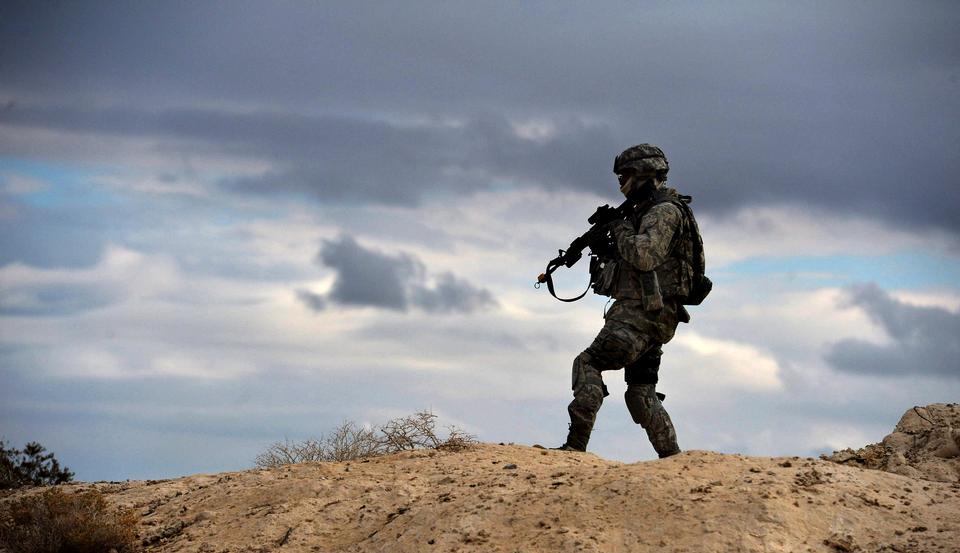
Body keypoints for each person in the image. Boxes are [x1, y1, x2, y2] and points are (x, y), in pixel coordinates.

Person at [557, 144, 705, 457]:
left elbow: (644, 255)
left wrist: (619, 228)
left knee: (588, 363)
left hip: (641, 314)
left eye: (624, 175)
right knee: (641, 392)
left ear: (644, 174)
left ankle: (574, 449)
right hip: (656, 316)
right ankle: (674, 460)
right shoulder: (649, 210)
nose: (620, 182)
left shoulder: (663, 211)